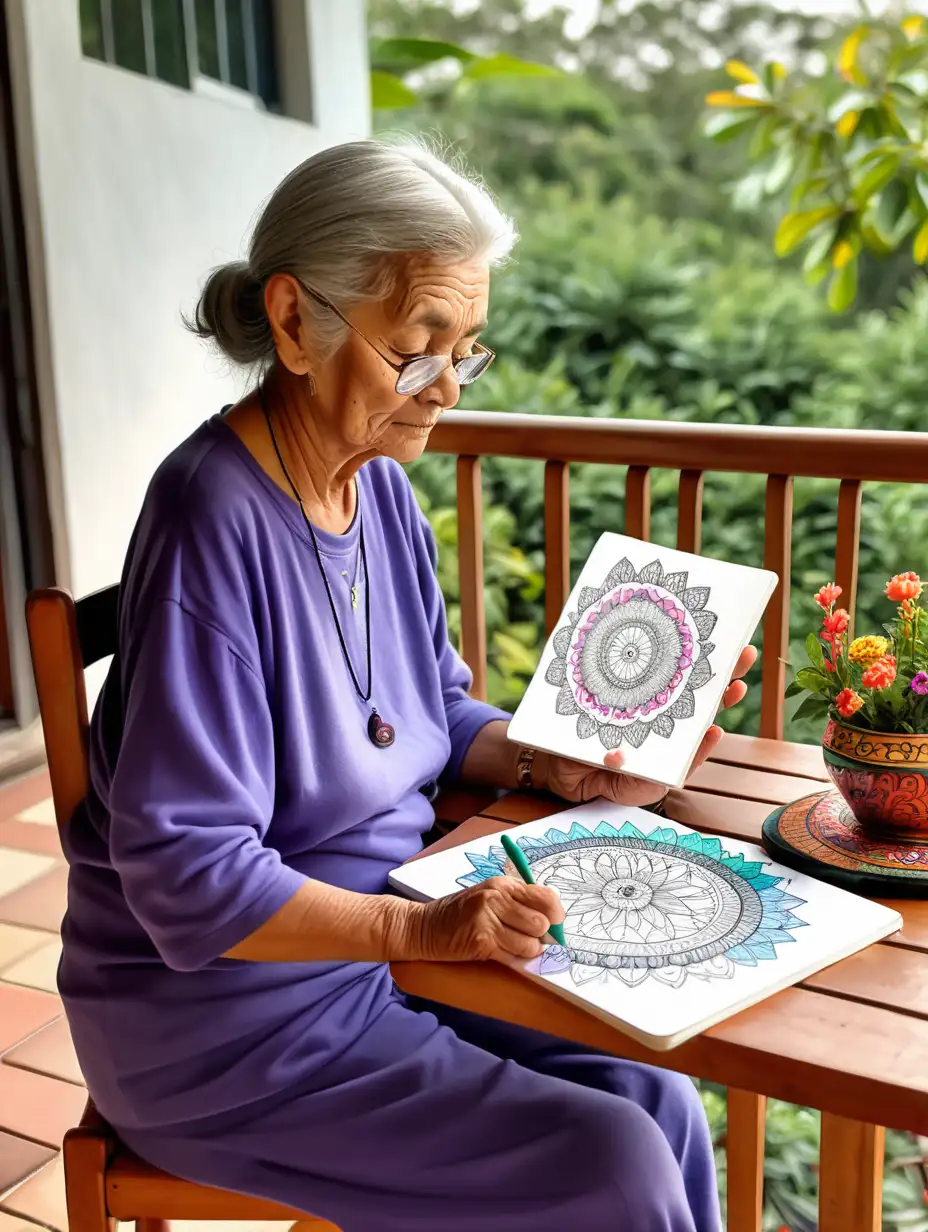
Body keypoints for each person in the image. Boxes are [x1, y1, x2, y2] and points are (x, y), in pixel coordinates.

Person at [60, 138, 755, 1232]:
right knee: (610, 1165)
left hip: (379, 960)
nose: (440, 394)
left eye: (464, 353)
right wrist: (425, 936)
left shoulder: (376, 488)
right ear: (293, 322)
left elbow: (433, 705)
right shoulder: (209, 524)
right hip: (225, 1024)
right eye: (414, 351)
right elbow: (188, 876)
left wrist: (544, 758)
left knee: (657, 1098)